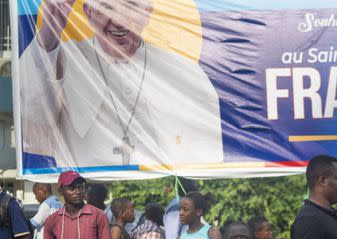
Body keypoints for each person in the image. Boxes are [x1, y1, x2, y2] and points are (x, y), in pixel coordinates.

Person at [19, 0, 223, 167]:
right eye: (106, 7)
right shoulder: (63, 58)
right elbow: (33, 127)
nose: (117, 20)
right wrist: (47, 42)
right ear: (87, 12)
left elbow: (206, 156)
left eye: (130, 6)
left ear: (148, 12)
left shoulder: (185, 73)